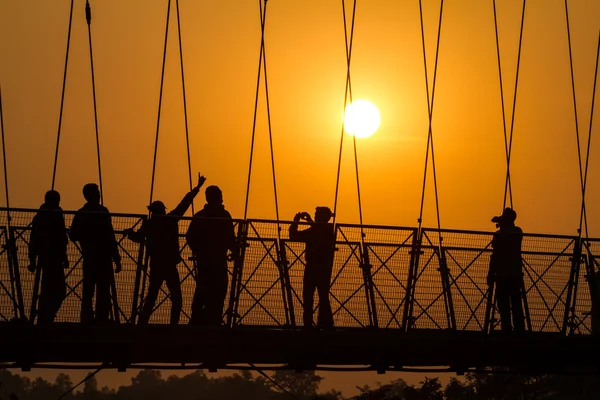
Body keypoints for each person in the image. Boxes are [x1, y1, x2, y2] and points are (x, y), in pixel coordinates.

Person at [125, 173, 206, 325]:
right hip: (169, 265)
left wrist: (129, 233)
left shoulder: (149, 224)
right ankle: (173, 325)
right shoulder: (170, 219)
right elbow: (185, 203)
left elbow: (138, 238)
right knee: (176, 298)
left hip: (156, 264)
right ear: (162, 210)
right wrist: (197, 188)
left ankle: (142, 323)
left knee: (151, 296)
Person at [69, 183, 122, 323]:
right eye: (97, 192)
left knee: (88, 290)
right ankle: (102, 318)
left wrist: (85, 235)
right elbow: (110, 236)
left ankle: (86, 318)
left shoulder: (81, 213)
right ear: (92, 195)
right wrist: (116, 257)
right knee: (103, 290)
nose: (99, 195)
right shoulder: (103, 211)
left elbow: (73, 235)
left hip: (89, 256)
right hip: (103, 258)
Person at [186, 185, 238, 326]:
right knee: (219, 290)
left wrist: (198, 251)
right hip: (219, 261)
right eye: (220, 194)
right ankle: (213, 321)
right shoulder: (224, 215)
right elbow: (230, 237)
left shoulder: (200, 215)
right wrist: (235, 251)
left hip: (204, 261)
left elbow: (189, 236)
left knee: (202, 290)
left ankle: (196, 321)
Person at [289, 206, 335, 329]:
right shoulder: (315, 230)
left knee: (322, 297)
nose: (314, 217)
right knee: (309, 297)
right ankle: (310, 325)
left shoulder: (329, 229)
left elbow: (321, 232)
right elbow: (293, 236)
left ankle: (324, 324)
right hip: (314, 267)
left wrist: (309, 221)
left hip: (321, 267)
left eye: (317, 215)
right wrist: (295, 221)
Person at [27, 190, 69, 323]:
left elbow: (33, 239)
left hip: (44, 258)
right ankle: (47, 316)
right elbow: (61, 237)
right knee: (60, 290)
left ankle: (44, 316)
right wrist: (64, 257)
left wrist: (32, 258)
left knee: (46, 290)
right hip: (53, 258)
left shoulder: (39, 216)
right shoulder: (56, 214)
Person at [487, 207, 525, 332]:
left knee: (509, 304)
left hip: (505, 275)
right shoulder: (517, 232)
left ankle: (511, 330)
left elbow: (495, 255)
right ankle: (513, 329)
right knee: (510, 304)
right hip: (514, 275)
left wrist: (491, 273)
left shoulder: (510, 233)